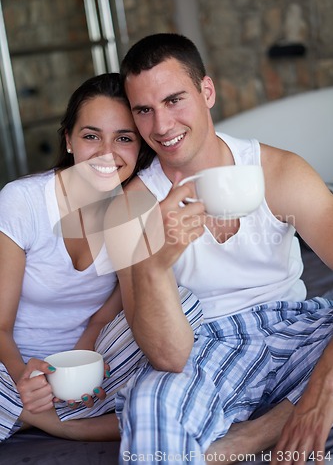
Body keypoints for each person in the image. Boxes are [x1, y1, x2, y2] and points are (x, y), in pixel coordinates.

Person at [113, 33, 333, 464]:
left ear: (207, 92)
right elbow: (167, 355)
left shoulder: (280, 172)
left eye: (175, 100)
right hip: (202, 349)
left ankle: (257, 435)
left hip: (298, 332)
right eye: (144, 110)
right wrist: (156, 263)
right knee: (150, 407)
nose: (161, 126)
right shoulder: (131, 209)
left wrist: (321, 394)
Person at [0, 72, 166, 442]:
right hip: (15, 364)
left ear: (140, 148)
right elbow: (0, 327)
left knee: (183, 307)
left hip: (94, 361)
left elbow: (123, 297)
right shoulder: (22, 201)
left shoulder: (135, 207)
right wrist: (25, 380)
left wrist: (89, 343)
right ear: (69, 140)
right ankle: (58, 418)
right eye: (91, 136)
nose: (107, 153)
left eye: (124, 138)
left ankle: (40, 417)